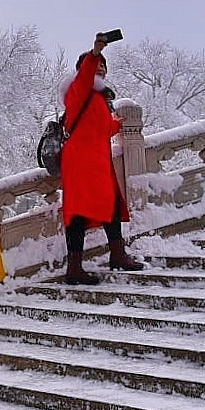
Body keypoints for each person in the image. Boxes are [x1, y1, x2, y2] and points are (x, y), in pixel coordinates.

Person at [59, 32, 145, 285]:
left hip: (98, 161)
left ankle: (117, 254)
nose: (100, 69)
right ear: (83, 70)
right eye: (96, 65)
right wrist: (95, 51)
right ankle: (74, 268)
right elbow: (87, 73)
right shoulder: (78, 90)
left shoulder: (98, 99)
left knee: (111, 204)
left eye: (103, 66)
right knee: (78, 212)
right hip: (80, 162)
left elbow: (102, 129)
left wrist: (116, 124)